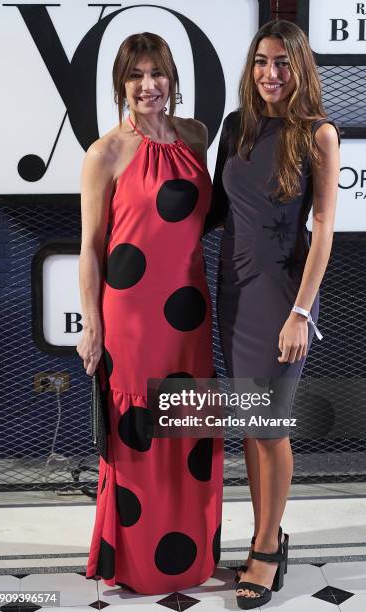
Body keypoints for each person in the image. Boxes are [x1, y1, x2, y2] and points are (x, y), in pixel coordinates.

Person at [77, 32, 223, 595]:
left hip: (188, 311)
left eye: (157, 73)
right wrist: (92, 324)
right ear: (121, 83)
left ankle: (188, 560)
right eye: (135, 75)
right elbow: (91, 247)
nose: (147, 86)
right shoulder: (105, 152)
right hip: (133, 319)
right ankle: (137, 563)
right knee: (138, 432)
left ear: (172, 79)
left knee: (187, 431)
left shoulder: (196, 136)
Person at [207, 20, 340, 610]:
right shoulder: (236, 127)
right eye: (262, 61)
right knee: (250, 430)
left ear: (301, 68)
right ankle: (269, 534)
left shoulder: (319, 135)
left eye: (283, 63)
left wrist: (301, 313)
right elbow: (212, 210)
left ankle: (265, 548)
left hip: (282, 298)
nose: (270, 74)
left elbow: (325, 230)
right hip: (232, 292)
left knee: (271, 427)